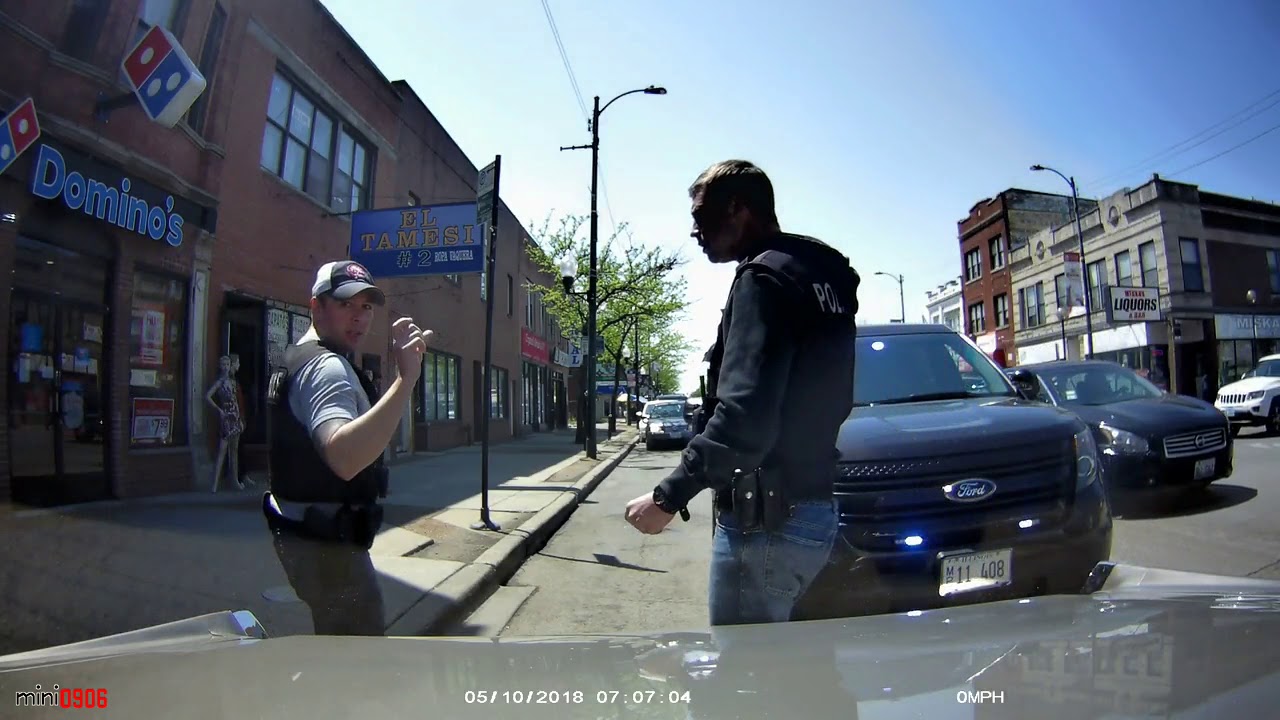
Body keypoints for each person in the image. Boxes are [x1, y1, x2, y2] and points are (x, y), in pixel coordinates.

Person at [624, 159, 860, 626]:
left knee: (744, 678)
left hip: (767, 525)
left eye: (699, 215)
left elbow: (745, 415)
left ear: (736, 208)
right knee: (808, 675)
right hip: (815, 512)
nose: (694, 230)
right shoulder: (818, 276)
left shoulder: (763, 280)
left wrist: (668, 496)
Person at [263, 260, 428, 636]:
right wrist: (406, 380)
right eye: (345, 305)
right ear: (316, 306)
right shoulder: (327, 369)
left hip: (308, 537)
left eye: (366, 307)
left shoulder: (300, 357)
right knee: (358, 662)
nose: (359, 318)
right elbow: (343, 456)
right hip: (328, 549)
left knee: (335, 650)